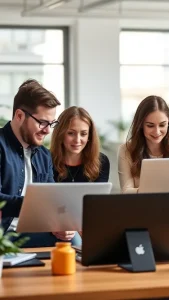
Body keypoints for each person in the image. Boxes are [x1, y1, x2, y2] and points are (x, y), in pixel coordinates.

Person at [0, 79, 79, 247]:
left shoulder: (44, 155)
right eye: (42, 122)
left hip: (33, 232)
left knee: (71, 238)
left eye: (51, 123)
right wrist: (36, 205)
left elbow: (51, 197)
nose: (48, 130)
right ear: (19, 116)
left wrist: (62, 223)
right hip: (4, 235)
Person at [118, 95, 169, 205]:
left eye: (162, 125)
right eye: (150, 126)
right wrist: (164, 189)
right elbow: (126, 193)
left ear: (168, 121)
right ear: (141, 124)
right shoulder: (126, 150)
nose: (157, 132)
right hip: (140, 215)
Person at [50, 106, 110, 183]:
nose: (77, 140)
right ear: (60, 134)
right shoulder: (46, 160)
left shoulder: (101, 161)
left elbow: (100, 194)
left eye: (83, 134)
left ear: (89, 136)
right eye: (71, 133)